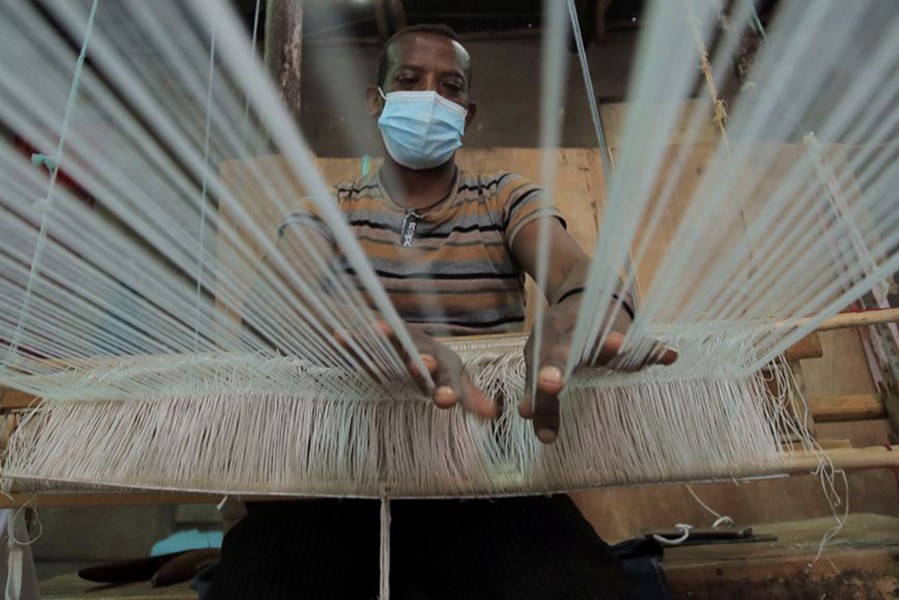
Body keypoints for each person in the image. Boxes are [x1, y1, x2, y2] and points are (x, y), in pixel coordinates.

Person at [206, 24, 675, 600]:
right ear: (376, 102)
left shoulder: (503, 199)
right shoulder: (329, 211)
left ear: (467, 112)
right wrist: (372, 336)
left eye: (449, 87)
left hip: (481, 483)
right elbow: (275, 301)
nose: (430, 97)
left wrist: (585, 307)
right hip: (336, 485)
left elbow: (577, 271)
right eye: (409, 80)